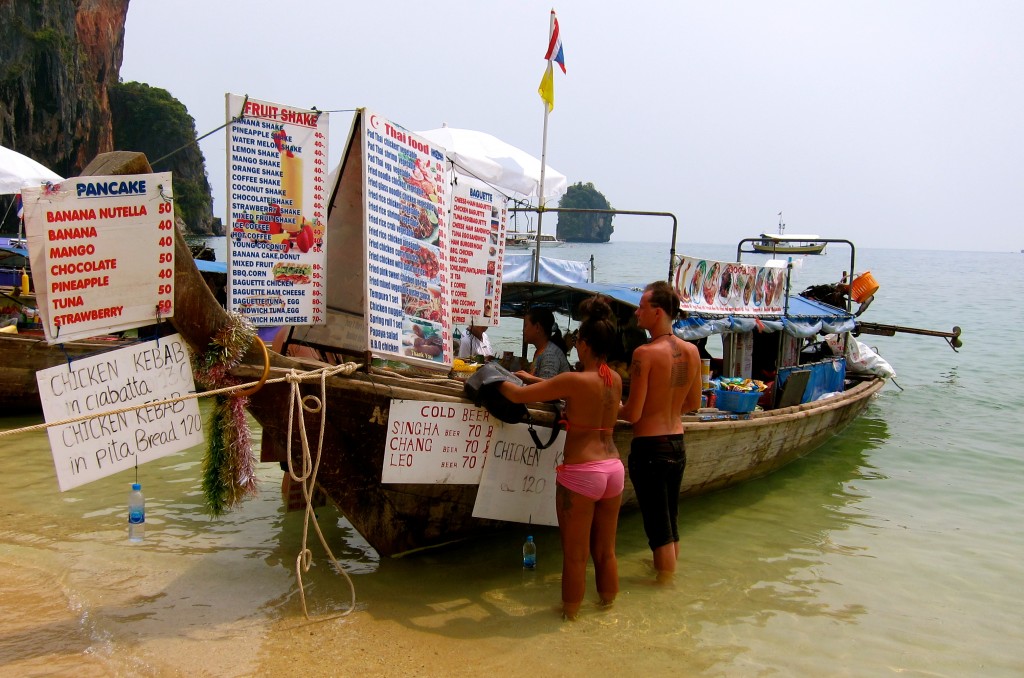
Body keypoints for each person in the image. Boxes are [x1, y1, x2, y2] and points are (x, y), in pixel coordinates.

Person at [499, 296, 623, 620]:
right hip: (613, 469)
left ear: (583, 345)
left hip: (582, 471)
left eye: (577, 340)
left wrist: (495, 377)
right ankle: (608, 608)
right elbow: (572, 393)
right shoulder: (615, 381)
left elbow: (518, 396)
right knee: (606, 551)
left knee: (575, 555)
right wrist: (536, 379)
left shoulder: (575, 380)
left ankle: (569, 618)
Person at [618, 280, 702, 582]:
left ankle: (664, 588)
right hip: (676, 442)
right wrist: (665, 407)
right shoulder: (691, 351)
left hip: (650, 448)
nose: (637, 312)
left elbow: (632, 413)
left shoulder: (645, 353)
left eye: (642, 307)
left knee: (658, 530)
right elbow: (693, 402)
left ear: (657, 312)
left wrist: (605, 406)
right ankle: (668, 580)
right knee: (671, 522)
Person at [515, 307, 571, 383]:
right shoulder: (540, 350)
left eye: (525, 325)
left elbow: (546, 388)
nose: (523, 330)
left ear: (537, 327)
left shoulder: (549, 355)